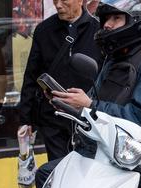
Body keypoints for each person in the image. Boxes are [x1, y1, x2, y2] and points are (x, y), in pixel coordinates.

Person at [35, 0, 141, 188]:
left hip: (135, 162)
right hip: (105, 153)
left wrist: (89, 105)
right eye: (105, 18)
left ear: (137, 20)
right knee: (49, 176)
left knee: (51, 176)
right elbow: (94, 107)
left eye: (116, 18)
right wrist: (71, 105)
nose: (107, 24)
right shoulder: (114, 62)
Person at [19, 0, 102, 162]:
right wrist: (25, 120)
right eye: (55, 0)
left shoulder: (98, 32)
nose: (58, 5)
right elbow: (31, 76)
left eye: (64, 0)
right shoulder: (44, 30)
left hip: (88, 120)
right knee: (58, 172)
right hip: (53, 118)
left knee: (87, 174)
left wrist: (95, 105)